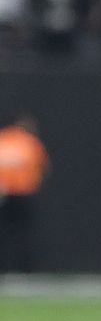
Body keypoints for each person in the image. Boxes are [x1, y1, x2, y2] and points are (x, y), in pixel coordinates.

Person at [0, 112, 50, 272]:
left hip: (3, 193)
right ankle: (24, 268)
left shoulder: (3, 139)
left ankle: (5, 268)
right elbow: (43, 167)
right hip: (23, 193)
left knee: (5, 233)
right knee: (22, 233)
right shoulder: (29, 142)